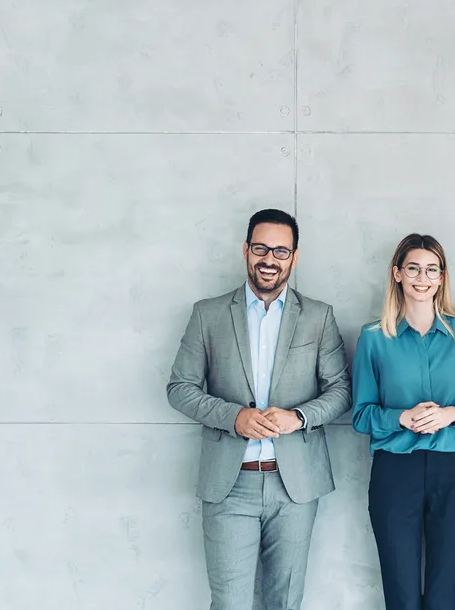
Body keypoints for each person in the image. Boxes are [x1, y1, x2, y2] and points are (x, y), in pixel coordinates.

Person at [166, 208, 352, 610]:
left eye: (281, 251)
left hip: (295, 486)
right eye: (261, 248)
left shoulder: (319, 317)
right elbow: (179, 388)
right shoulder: (208, 314)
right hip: (230, 486)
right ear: (246, 250)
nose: (270, 259)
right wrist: (234, 417)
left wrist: (298, 417)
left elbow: (340, 392)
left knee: (285, 603)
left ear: (295, 257)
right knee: (230, 604)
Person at [351, 234, 455, 610]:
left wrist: (451, 413)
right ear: (397, 273)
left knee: (446, 591)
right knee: (401, 592)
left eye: (432, 269)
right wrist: (402, 418)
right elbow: (361, 415)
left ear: (442, 277)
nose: (421, 277)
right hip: (395, 473)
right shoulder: (373, 338)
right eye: (413, 268)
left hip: (454, 470)